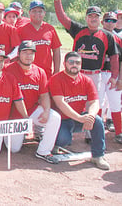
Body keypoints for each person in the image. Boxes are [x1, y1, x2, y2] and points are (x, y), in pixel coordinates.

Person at [49, 52, 110, 170]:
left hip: (78, 117)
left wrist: (90, 116)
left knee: (97, 121)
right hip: (61, 120)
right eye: (71, 62)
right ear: (64, 64)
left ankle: (98, 156)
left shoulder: (86, 80)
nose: (74, 65)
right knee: (63, 139)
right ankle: (54, 144)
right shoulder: (56, 79)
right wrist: (80, 118)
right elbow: (61, 103)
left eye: (77, 63)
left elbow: (95, 102)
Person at [5, 40, 61, 163]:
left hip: (32, 110)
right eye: (25, 52)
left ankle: (43, 151)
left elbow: (44, 95)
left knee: (55, 117)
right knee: (13, 149)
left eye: (31, 53)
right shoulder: (8, 70)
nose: (28, 56)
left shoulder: (39, 72)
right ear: (18, 54)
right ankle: (10, 136)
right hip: (15, 115)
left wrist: (46, 110)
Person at [0, 49, 28, 157]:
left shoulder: (10, 78)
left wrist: (26, 117)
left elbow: (18, 100)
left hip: (2, 124)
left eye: (1, 61)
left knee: (10, 149)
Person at [16, 0, 62, 78]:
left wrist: (56, 71)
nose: (37, 14)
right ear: (29, 13)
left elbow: (56, 50)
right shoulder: (21, 30)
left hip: (46, 73)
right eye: (34, 11)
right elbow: (16, 52)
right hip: (26, 73)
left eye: (40, 11)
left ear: (44, 13)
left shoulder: (50, 29)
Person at [98, 12, 122, 143]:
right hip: (100, 73)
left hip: (114, 74)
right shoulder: (98, 36)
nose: (110, 22)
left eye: (113, 20)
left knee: (115, 104)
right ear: (102, 22)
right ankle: (96, 133)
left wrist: (120, 79)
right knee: (98, 103)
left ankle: (119, 132)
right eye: (107, 20)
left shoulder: (118, 39)